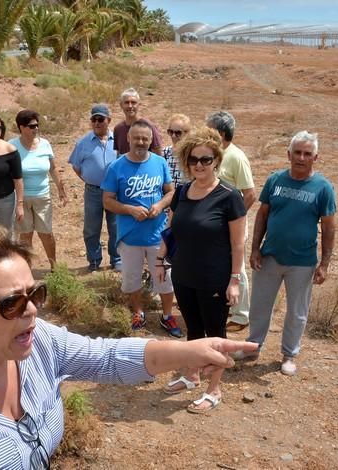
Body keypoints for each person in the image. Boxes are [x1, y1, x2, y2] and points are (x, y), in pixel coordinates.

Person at [0, 224, 259, 469]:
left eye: (35, 292)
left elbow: (106, 357)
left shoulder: (38, 343)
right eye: (12, 303)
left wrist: (189, 351)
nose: (32, 310)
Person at [155, 127, 246, 413]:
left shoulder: (229, 196)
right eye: (194, 159)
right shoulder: (181, 192)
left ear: (216, 160)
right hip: (184, 274)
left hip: (215, 278)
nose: (199, 165)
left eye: (206, 160)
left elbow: (237, 244)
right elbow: (171, 231)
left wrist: (234, 281)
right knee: (193, 329)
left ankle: (214, 388)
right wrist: (160, 261)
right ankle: (193, 375)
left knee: (215, 334)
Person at [239, 131, 337, 376]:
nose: (301, 158)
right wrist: (254, 249)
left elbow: (328, 227)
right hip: (270, 255)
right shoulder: (275, 180)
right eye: (297, 152)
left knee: (297, 311)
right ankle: (253, 347)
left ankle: (289, 354)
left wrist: (324, 264)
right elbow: (262, 214)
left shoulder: (323, 188)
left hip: (302, 262)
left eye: (307, 153)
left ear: (316, 157)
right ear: (289, 154)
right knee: (260, 306)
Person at [102, 120, 181, 338]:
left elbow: (170, 192)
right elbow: (107, 201)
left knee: (165, 278)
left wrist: (159, 205)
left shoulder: (159, 162)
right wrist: (129, 209)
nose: (140, 142)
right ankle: (138, 312)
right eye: (136, 137)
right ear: (128, 138)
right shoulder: (116, 167)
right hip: (129, 236)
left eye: (145, 138)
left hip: (158, 235)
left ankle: (166, 316)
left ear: (150, 140)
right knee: (131, 278)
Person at [206, 111, 256, 331]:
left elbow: (250, 193)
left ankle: (241, 316)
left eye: (209, 129)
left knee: (237, 267)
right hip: (214, 223)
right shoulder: (213, 154)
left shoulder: (236, 157)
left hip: (231, 223)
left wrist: (234, 218)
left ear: (221, 133)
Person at [9, 110, 66, 270]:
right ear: (21, 127)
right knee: (25, 234)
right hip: (21, 198)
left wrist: (61, 189)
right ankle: (26, 268)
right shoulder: (12, 146)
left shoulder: (45, 144)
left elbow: (53, 168)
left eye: (37, 125)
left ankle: (54, 266)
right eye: (31, 126)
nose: (35, 129)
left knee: (46, 233)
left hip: (43, 197)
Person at [68, 104, 120, 272]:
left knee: (116, 226)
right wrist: (89, 179)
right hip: (93, 191)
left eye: (100, 119)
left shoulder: (119, 141)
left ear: (108, 120)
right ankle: (95, 261)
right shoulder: (83, 143)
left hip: (114, 192)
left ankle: (116, 259)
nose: (97, 123)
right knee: (91, 228)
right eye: (94, 119)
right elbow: (76, 166)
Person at [112, 88, 163, 156]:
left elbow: (158, 155)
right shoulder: (118, 129)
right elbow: (118, 155)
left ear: (139, 105)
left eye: (133, 102)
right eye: (127, 102)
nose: (130, 106)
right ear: (121, 105)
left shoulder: (148, 126)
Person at [162, 113, 191, 190]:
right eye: (171, 132)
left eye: (178, 133)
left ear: (187, 133)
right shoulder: (164, 153)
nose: (173, 136)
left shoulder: (192, 155)